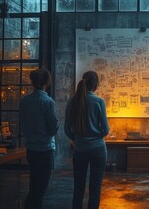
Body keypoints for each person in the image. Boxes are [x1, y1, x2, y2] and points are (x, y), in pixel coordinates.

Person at [64, 70, 110, 209]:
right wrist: (96, 136)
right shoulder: (99, 102)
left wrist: (78, 139)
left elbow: (67, 129)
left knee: (78, 186)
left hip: (80, 149)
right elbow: (106, 130)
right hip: (98, 149)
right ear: (95, 85)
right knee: (95, 188)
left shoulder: (72, 101)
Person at [20, 68, 59, 209]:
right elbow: (54, 128)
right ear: (47, 82)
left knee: (34, 185)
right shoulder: (47, 101)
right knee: (41, 188)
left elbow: (23, 124)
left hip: (31, 148)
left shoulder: (25, 101)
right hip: (45, 149)